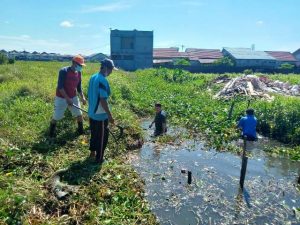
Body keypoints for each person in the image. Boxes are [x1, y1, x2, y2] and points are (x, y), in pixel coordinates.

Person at [87, 58, 117, 164]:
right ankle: (99, 159)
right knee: (102, 138)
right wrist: (110, 116)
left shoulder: (93, 77)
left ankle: (92, 153)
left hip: (92, 113)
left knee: (94, 134)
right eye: (111, 70)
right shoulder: (102, 80)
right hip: (100, 116)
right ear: (106, 68)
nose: (111, 72)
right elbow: (103, 99)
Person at [49, 55, 86, 137]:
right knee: (57, 116)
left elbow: (79, 87)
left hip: (73, 96)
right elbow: (60, 87)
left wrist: (82, 97)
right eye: (79, 65)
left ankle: (80, 132)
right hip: (61, 97)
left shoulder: (79, 73)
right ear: (73, 63)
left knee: (79, 114)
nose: (80, 67)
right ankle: (50, 134)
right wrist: (67, 98)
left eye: (81, 65)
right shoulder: (64, 71)